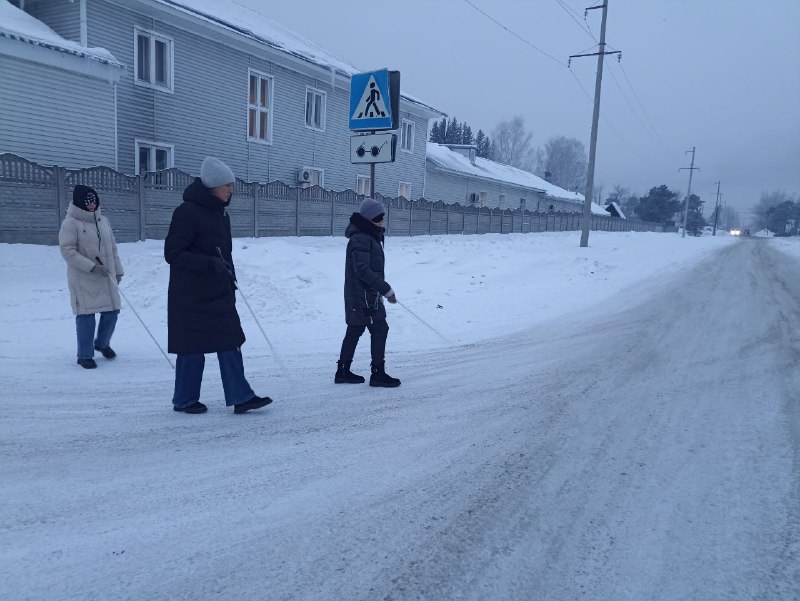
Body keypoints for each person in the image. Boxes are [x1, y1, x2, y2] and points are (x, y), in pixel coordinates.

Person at [164, 157, 272, 414]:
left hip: (218, 291)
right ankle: (184, 399)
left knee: (230, 342)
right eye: (227, 186)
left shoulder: (220, 213)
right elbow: (173, 253)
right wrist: (209, 264)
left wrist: (227, 274)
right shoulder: (187, 212)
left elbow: (223, 252)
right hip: (190, 294)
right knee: (192, 348)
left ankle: (241, 396)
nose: (231, 190)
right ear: (212, 186)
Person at [335, 197, 401, 387]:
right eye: (379, 216)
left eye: (383, 216)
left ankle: (343, 371)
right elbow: (362, 270)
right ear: (369, 218)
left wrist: (380, 290)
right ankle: (377, 373)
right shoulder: (362, 238)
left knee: (356, 329)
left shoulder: (368, 235)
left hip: (366, 295)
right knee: (379, 328)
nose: (382, 220)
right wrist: (386, 289)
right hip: (363, 296)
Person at [58, 185, 124, 369]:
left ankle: (102, 343)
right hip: (84, 277)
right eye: (88, 202)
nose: (92, 205)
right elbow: (67, 251)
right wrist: (91, 267)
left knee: (112, 311)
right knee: (86, 316)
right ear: (79, 202)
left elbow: (112, 248)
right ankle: (84, 355)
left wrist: (118, 271)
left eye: (94, 201)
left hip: (106, 276)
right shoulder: (70, 223)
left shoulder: (103, 221)